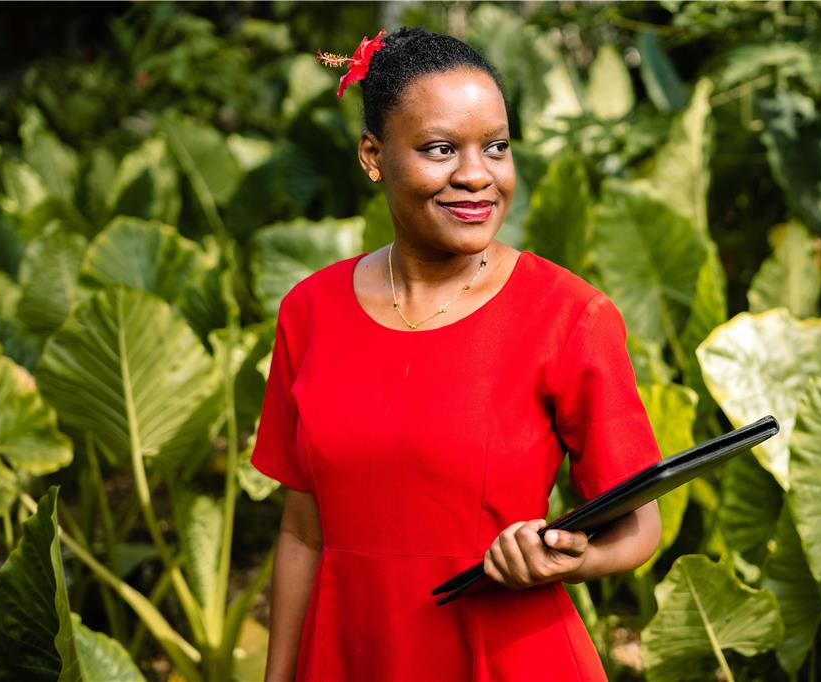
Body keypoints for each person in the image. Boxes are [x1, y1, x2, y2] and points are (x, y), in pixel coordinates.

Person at [251, 26, 663, 682]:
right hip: (351, 656)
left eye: (496, 147)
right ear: (373, 155)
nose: (476, 176)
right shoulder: (310, 311)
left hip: (508, 658)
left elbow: (640, 526)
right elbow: (302, 531)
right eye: (441, 149)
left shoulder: (569, 315)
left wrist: (569, 558)